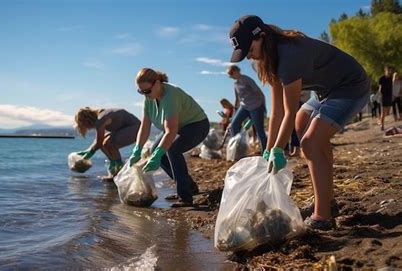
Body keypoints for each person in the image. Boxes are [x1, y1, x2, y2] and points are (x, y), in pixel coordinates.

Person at [228, 15, 370, 230]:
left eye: (249, 48)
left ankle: (322, 216)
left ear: (262, 36)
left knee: (311, 143)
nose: (249, 55)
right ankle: (326, 200)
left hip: (350, 86)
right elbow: (276, 113)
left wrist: (279, 149)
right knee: (302, 124)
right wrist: (268, 150)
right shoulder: (268, 58)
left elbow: (288, 110)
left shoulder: (289, 55)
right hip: (325, 91)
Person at [128, 68, 209, 207]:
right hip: (179, 127)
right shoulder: (149, 99)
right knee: (156, 150)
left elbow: (170, 131)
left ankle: (185, 197)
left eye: (147, 91)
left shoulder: (170, 95)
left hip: (197, 125)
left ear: (157, 83)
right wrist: (137, 149)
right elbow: (145, 127)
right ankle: (188, 186)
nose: (144, 95)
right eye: (141, 92)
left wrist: (159, 154)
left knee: (172, 149)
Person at [74, 107, 140, 177]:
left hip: (136, 129)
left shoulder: (101, 119)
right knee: (105, 144)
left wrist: (91, 153)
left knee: (112, 144)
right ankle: (115, 165)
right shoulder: (101, 114)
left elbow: (99, 143)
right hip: (127, 128)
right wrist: (88, 150)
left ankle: (119, 168)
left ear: (87, 121)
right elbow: (99, 139)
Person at [227, 65, 268, 154]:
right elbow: (237, 99)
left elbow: (260, 93)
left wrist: (263, 107)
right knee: (234, 124)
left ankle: (265, 151)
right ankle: (237, 149)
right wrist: (234, 112)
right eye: (230, 75)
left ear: (236, 71)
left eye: (231, 74)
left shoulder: (247, 80)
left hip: (256, 106)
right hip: (244, 106)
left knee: (259, 129)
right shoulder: (235, 84)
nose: (231, 77)